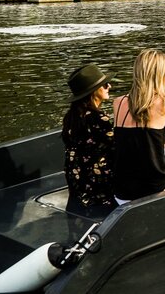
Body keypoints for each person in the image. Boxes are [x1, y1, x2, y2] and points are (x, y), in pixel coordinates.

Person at [113, 49, 165, 204]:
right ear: (159, 74)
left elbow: (139, 139)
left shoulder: (118, 103)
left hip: (122, 192)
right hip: (155, 189)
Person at [62, 64, 116, 217]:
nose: (109, 86)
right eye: (105, 85)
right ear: (93, 91)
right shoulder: (99, 119)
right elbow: (116, 150)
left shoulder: (71, 117)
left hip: (76, 185)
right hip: (98, 189)